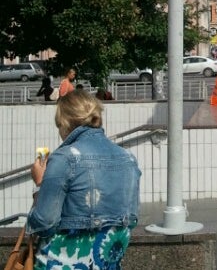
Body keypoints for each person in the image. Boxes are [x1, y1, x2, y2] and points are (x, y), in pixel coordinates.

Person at [27, 89, 141, 269]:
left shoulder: (64, 158)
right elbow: (131, 221)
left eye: (59, 125)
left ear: (65, 122)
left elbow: (43, 223)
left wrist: (40, 184)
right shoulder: (129, 159)